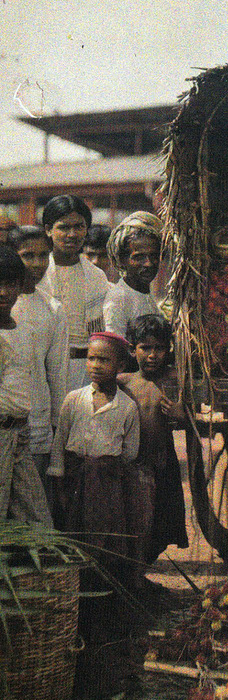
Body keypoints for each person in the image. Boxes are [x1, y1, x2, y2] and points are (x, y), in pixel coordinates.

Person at [48, 332, 140, 572]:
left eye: (104, 360)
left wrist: (105, 468)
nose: (96, 365)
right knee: (73, 531)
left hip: (107, 484)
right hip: (74, 480)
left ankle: (102, 584)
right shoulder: (74, 399)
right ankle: (76, 584)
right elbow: (60, 442)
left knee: (104, 535)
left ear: (121, 366)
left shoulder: (127, 407)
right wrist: (59, 482)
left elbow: (129, 452)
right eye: (91, 358)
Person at [118, 314, 189, 584]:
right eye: (145, 347)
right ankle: (133, 578)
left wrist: (182, 414)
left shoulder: (175, 379)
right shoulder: (123, 382)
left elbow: (193, 420)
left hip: (162, 461)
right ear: (132, 349)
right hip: (132, 465)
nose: (152, 355)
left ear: (168, 349)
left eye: (159, 348)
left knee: (161, 524)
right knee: (134, 523)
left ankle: (139, 575)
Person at [8, 226, 69, 491]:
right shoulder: (5, 303)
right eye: (27, 255)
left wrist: (56, 428)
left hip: (37, 424)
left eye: (43, 255)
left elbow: (57, 375)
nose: (36, 263)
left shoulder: (52, 309)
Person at [0, 246, 52, 524]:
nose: (3, 292)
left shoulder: (22, 330)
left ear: (21, 286)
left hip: (19, 433)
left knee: (37, 520)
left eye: (9, 284)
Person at [39, 195, 109, 392]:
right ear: (48, 230)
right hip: (44, 365)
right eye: (64, 227)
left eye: (79, 226)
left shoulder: (96, 276)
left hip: (86, 369)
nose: (72, 234)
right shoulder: (39, 275)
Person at [104, 212, 163, 338]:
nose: (148, 263)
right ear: (122, 260)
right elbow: (115, 345)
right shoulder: (119, 299)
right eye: (139, 257)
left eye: (153, 256)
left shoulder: (145, 295)